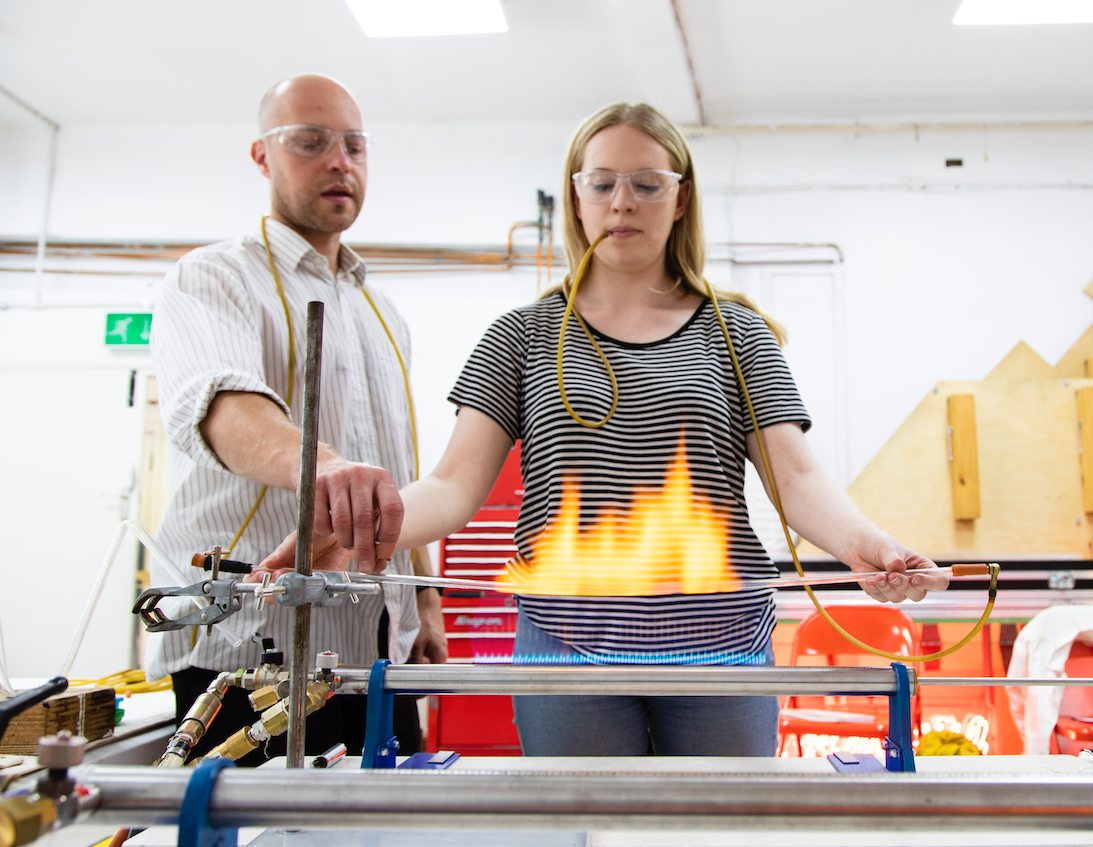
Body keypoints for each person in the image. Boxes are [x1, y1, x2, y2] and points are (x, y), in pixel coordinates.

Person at [264, 102, 948, 757]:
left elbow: (796, 477)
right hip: (566, 649)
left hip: (719, 648)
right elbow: (451, 486)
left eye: (647, 184)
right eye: (603, 183)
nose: (623, 202)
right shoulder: (522, 337)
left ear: (680, 199)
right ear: (577, 197)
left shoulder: (737, 335)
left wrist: (867, 543)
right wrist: (357, 523)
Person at [148, 74, 446, 765]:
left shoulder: (382, 313)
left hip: (378, 654)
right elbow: (222, 407)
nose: (338, 161)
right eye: (310, 142)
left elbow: (396, 478)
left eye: (354, 145)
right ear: (262, 156)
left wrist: (423, 604)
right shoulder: (212, 277)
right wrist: (328, 470)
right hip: (251, 653)